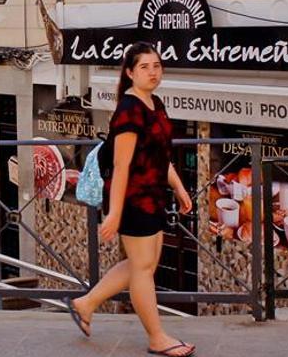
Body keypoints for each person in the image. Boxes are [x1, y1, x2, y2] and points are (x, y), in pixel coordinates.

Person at [65, 42, 196, 357]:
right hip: (134, 198)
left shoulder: (155, 103)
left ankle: (85, 303)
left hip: (154, 194)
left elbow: (160, 155)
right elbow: (122, 166)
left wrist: (178, 187)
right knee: (142, 267)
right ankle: (157, 337)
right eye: (144, 67)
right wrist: (114, 214)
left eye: (156, 66)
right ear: (130, 72)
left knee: (144, 264)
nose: (152, 72)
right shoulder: (129, 110)